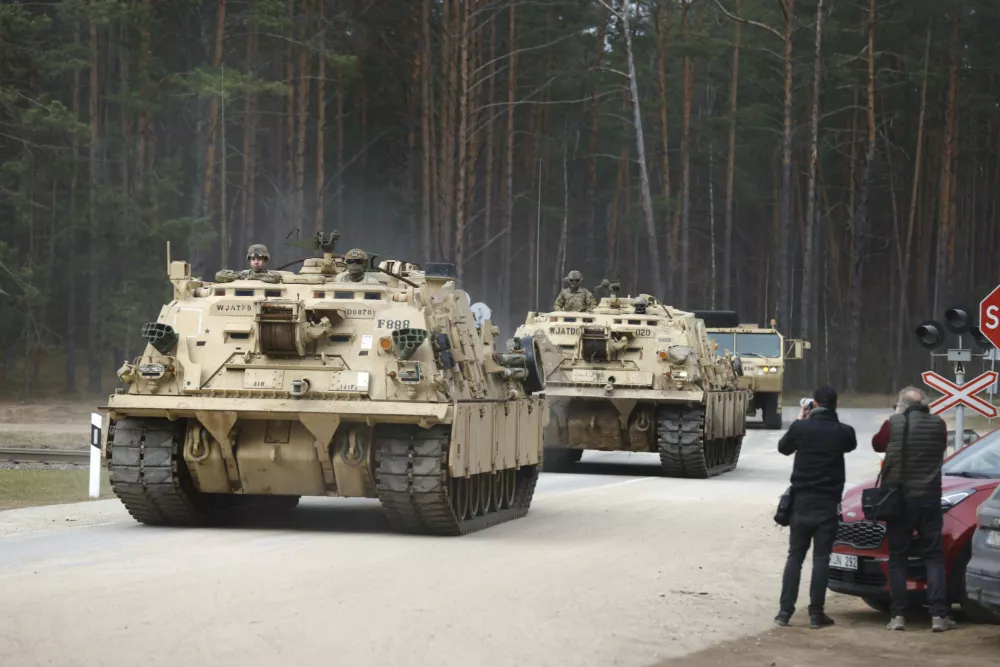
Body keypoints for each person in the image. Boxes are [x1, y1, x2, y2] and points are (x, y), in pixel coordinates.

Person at [871, 386, 954, 632]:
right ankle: (939, 616)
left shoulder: (894, 423)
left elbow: (877, 444)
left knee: (898, 558)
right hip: (929, 499)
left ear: (902, 405)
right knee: (934, 557)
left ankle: (897, 616)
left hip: (900, 500)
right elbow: (940, 449)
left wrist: (897, 415)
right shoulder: (938, 424)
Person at [775, 385, 857, 629]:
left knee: (795, 557)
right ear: (836, 404)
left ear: (814, 404)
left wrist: (801, 420)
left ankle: (784, 612)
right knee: (821, 559)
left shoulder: (801, 428)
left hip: (801, 502)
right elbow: (849, 445)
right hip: (827, 504)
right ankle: (816, 614)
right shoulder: (844, 431)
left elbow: (783, 448)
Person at [216, 244, 281, 284]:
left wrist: (252, 276)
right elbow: (219, 275)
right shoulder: (244, 274)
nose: (256, 262)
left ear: (265, 260)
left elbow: (275, 278)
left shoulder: (273, 276)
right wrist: (238, 276)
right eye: (253, 259)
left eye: (259, 259)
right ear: (249, 261)